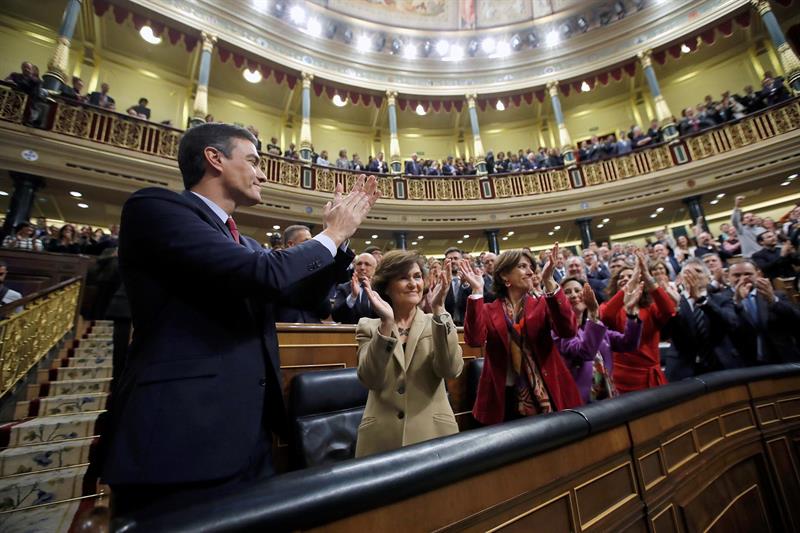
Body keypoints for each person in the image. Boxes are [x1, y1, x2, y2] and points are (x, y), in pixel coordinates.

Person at [101, 122, 379, 516]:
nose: (262, 174)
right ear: (214, 158)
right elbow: (262, 274)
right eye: (253, 161)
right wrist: (331, 235)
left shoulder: (245, 244)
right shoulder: (156, 208)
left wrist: (340, 239)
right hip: (178, 438)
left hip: (248, 435)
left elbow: (306, 298)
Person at [354, 252, 463, 457]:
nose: (413, 284)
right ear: (386, 286)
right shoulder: (368, 326)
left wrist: (439, 308)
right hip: (381, 439)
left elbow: (450, 370)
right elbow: (371, 379)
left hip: (433, 435)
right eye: (404, 278)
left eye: (417, 276)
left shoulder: (436, 322)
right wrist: (386, 324)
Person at [463, 245, 582, 425]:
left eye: (531, 267)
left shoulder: (542, 304)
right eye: (522, 266)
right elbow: (475, 340)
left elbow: (568, 331)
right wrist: (477, 291)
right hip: (504, 398)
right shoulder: (488, 310)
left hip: (547, 390)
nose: (530, 272)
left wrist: (549, 280)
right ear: (505, 276)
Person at [555, 277, 642, 404]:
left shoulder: (596, 327)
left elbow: (629, 343)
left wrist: (631, 313)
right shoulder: (559, 332)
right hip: (579, 404)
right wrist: (593, 313)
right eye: (567, 292)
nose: (573, 295)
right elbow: (585, 352)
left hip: (608, 400)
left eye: (577, 290)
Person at [600, 252, 675, 393]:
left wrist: (648, 277)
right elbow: (606, 316)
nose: (626, 279)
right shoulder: (607, 306)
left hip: (650, 376)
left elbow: (668, 311)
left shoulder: (650, 307)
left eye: (630, 276)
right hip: (623, 377)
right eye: (621, 277)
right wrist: (631, 283)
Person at [726, 260, 800, 364]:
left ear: (758, 274)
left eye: (748, 274)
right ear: (727, 277)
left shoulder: (777, 295)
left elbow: (796, 319)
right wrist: (737, 302)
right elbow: (728, 327)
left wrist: (773, 301)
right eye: (737, 275)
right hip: (744, 361)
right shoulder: (719, 300)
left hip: (782, 357)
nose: (743, 278)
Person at [332, 252, 379, 324]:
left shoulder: (381, 288)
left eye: (367, 264)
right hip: (349, 330)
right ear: (354, 267)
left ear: (375, 269)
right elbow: (336, 317)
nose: (362, 267)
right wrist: (352, 296)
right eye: (359, 264)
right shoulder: (344, 288)